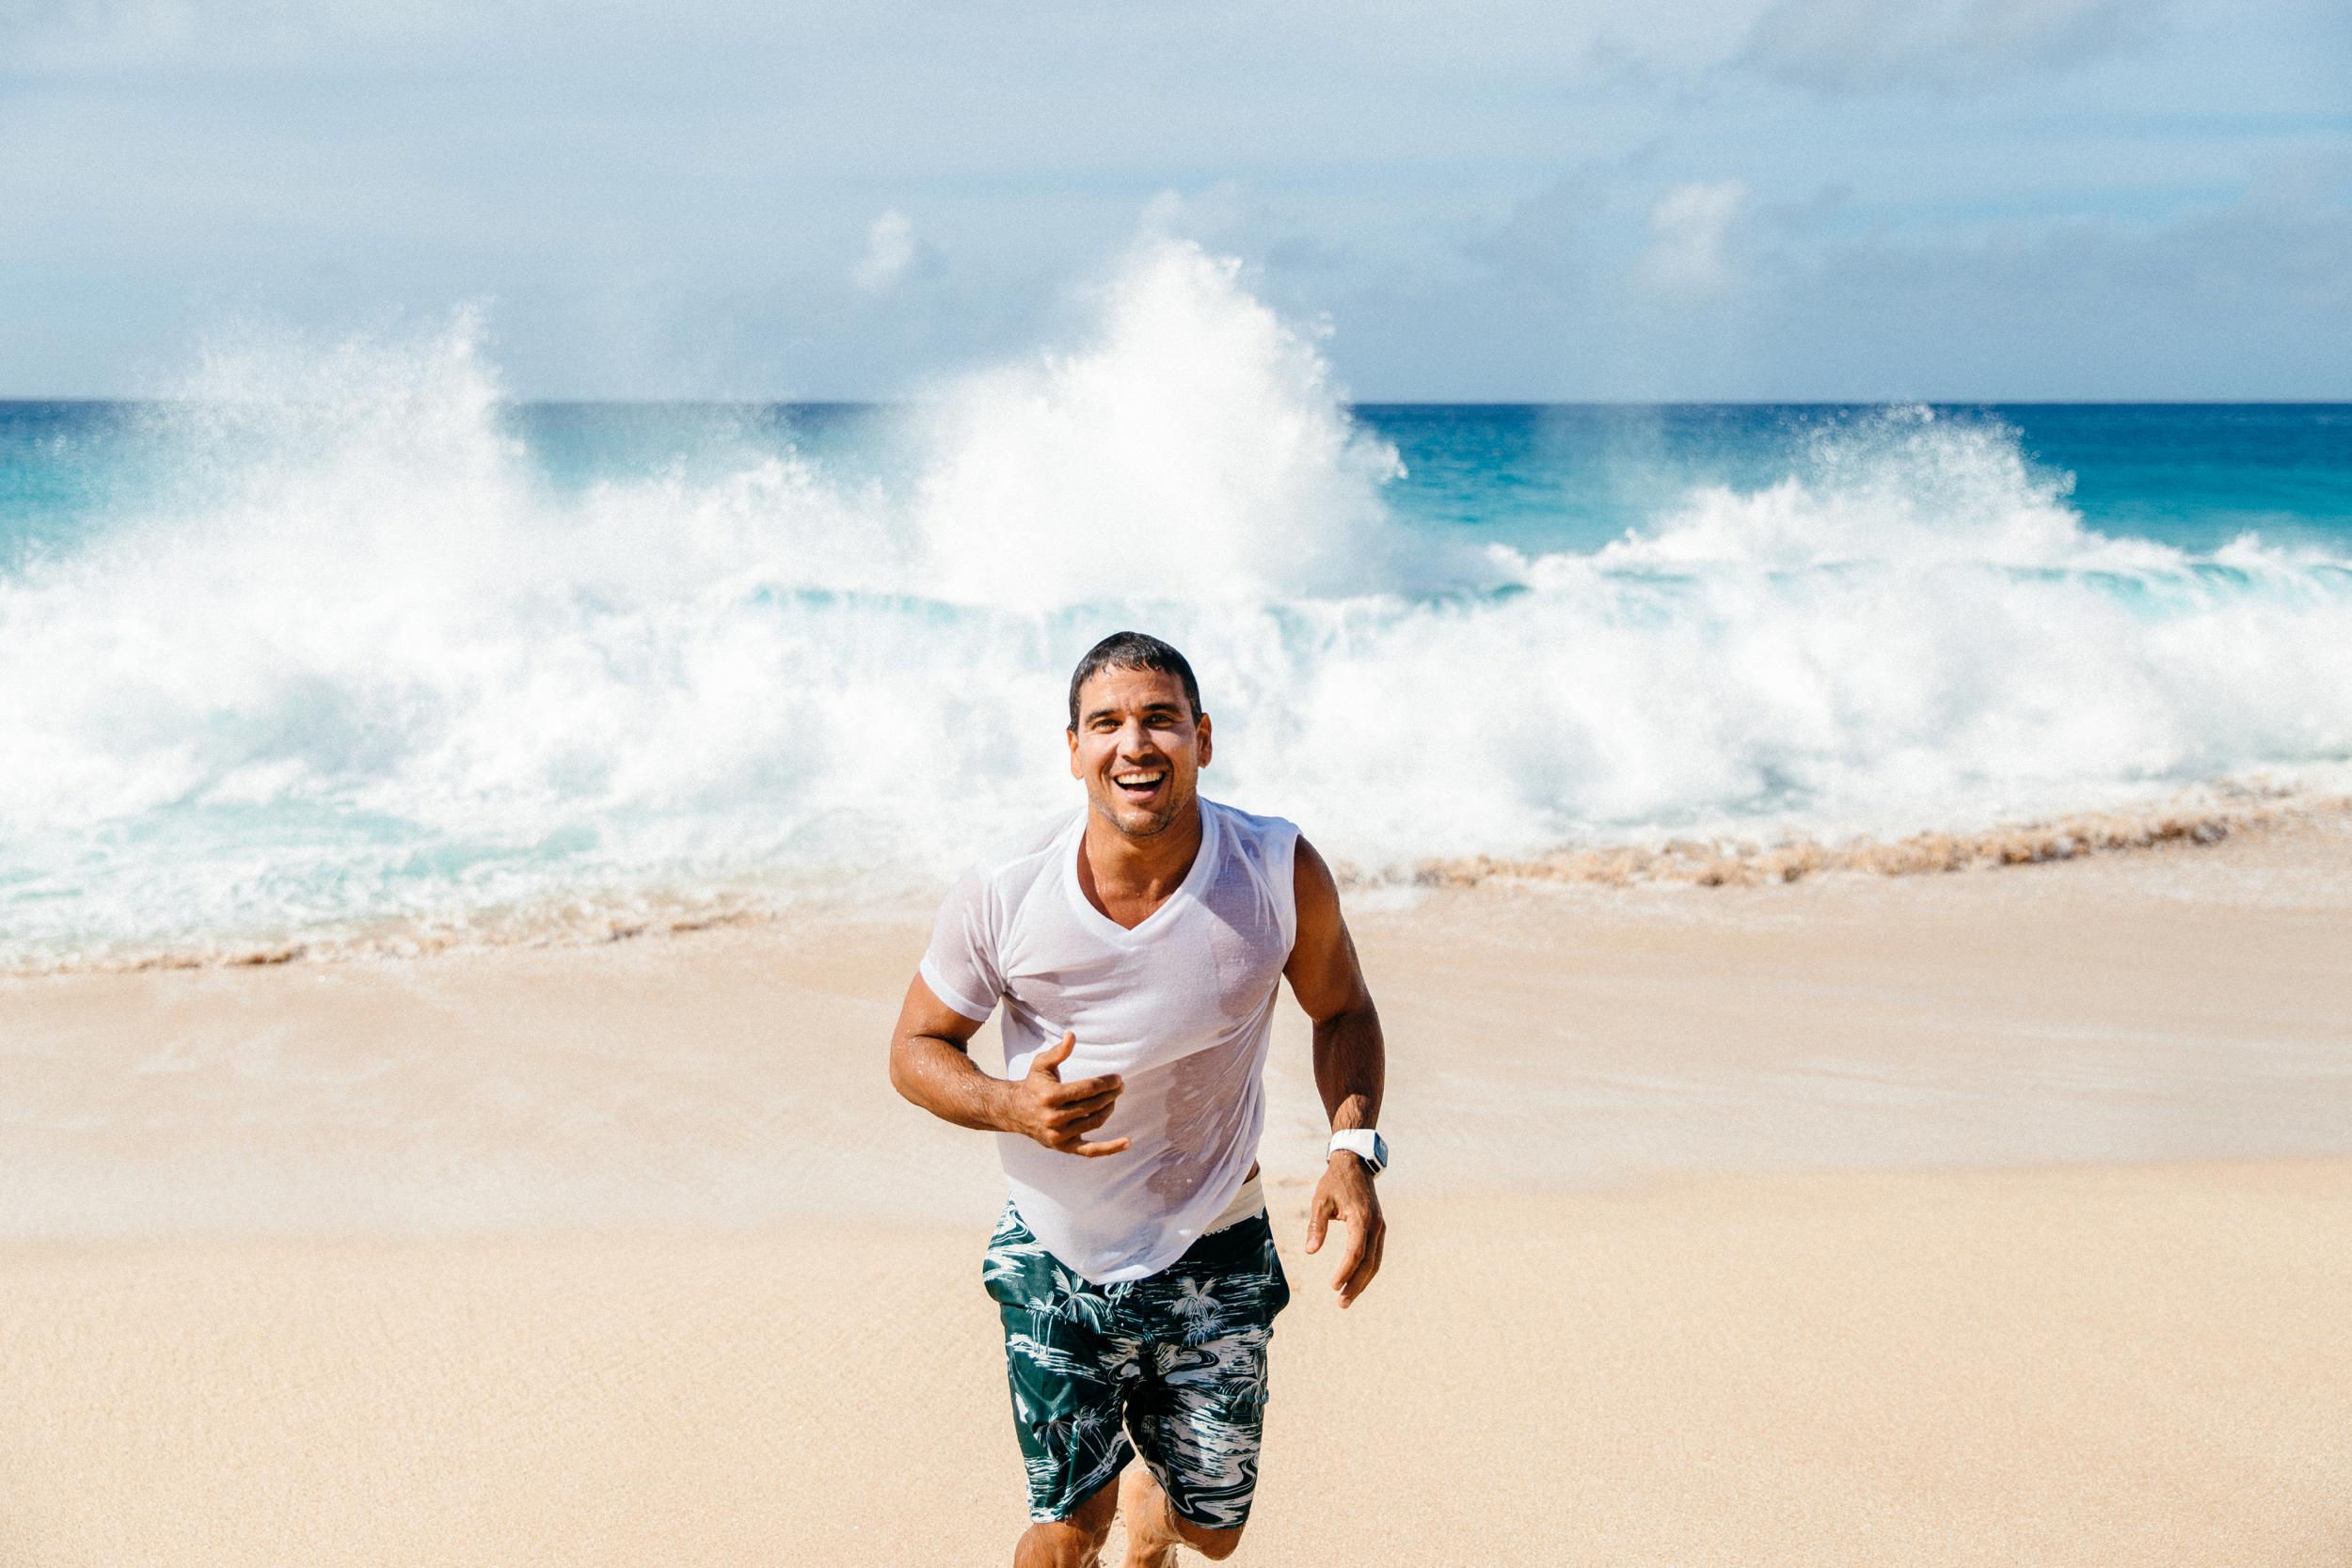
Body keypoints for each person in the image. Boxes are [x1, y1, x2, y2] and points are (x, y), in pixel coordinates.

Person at [888, 629, 1391, 1567]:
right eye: (1106, 722)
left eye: (1161, 719)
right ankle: (1106, 1489)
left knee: (1213, 1531)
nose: (1135, 743)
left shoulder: (1274, 870)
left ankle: (1152, 1509)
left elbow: (1343, 1006)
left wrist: (1350, 1150)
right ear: (1072, 748)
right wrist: (1007, 1104)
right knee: (1064, 1529)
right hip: (1055, 1244)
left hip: (1216, 1225)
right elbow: (915, 1047)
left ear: (1202, 736)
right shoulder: (1004, 891)